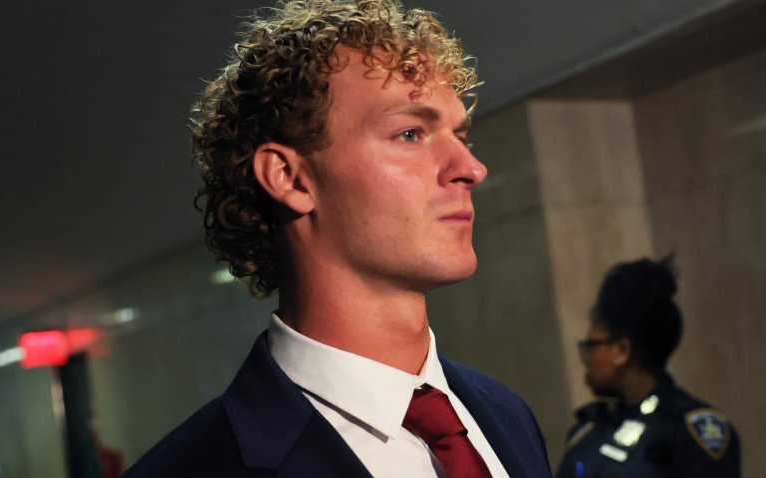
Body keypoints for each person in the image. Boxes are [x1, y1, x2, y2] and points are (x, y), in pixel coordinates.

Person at [123, 1, 551, 476]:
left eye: (460, 137)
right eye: (410, 134)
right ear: (289, 177)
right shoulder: (192, 468)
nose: (471, 169)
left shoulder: (506, 415)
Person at [556, 257, 740, 478]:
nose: (587, 360)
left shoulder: (688, 430)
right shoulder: (587, 432)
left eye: (591, 347)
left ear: (622, 351)